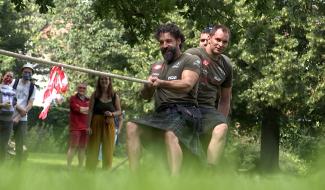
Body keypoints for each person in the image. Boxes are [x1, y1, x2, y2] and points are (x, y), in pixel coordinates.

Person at [126, 23, 202, 175]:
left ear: (178, 41)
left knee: (170, 132)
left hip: (185, 112)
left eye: (169, 41)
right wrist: (148, 87)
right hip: (160, 114)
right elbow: (146, 97)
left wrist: (161, 83)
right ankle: (133, 177)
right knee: (131, 126)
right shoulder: (156, 66)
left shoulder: (191, 59)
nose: (164, 45)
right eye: (161, 42)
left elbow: (187, 84)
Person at [185, 24, 232, 169]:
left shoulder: (226, 65)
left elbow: (225, 98)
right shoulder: (192, 54)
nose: (220, 44)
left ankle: (210, 171)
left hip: (207, 109)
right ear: (210, 38)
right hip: (186, 105)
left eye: (225, 42)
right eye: (218, 39)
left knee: (222, 127)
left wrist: (220, 119)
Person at [86, 76, 122, 170]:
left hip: (109, 123)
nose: (104, 81)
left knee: (108, 148)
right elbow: (90, 111)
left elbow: (119, 111)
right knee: (93, 146)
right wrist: (88, 126)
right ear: (99, 81)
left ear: (110, 81)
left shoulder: (114, 96)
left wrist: (112, 114)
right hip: (96, 122)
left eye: (106, 79)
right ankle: (90, 169)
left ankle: (107, 170)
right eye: (102, 79)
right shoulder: (95, 95)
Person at [11, 63, 36, 164]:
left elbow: (30, 104)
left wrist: (18, 116)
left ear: (32, 74)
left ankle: (18, 165)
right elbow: (10, 98)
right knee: (3, 139)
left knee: (20, 143)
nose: (27, 74)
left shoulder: (32, 87)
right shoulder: (14, 82)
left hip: (22, 119)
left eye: (29, 73)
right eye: (25, 72)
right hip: (8, 115)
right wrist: (19, 109)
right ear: (22, 72)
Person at [67, 82, 89, 169]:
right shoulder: (72, 98)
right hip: (75, 126)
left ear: (86, 90)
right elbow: (78, 109)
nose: (82, 89)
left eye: (84, 88)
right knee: (73, 146)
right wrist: (84, 109)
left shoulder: (89, 100)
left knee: (82, 148)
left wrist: (82, 109)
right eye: (80, 88)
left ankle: (80, 167)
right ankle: (68, 166)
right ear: (77, 89)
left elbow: (90, 111)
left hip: (85, 127)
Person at [0, 71, 16, 162]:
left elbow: (14, 104)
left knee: (4, 145)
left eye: (11, 77)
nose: (8, 78)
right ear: (3, 77)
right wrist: (2, 105)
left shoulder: (13, 91)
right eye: (7, 76)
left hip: (8, 121)